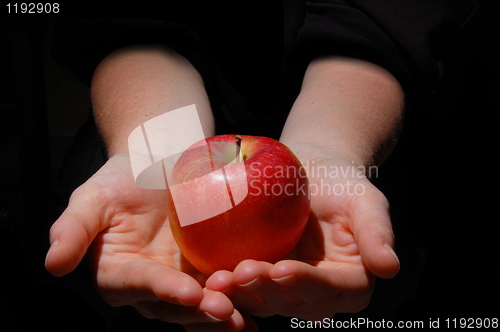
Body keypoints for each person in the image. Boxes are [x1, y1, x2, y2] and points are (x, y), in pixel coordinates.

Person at [45, 1, 483, 331]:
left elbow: (378, 23)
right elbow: (125, 25)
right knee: (97, 272)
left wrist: (330, 148)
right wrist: (151, 155)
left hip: (354, 106)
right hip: (156, 106)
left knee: (395, 251)